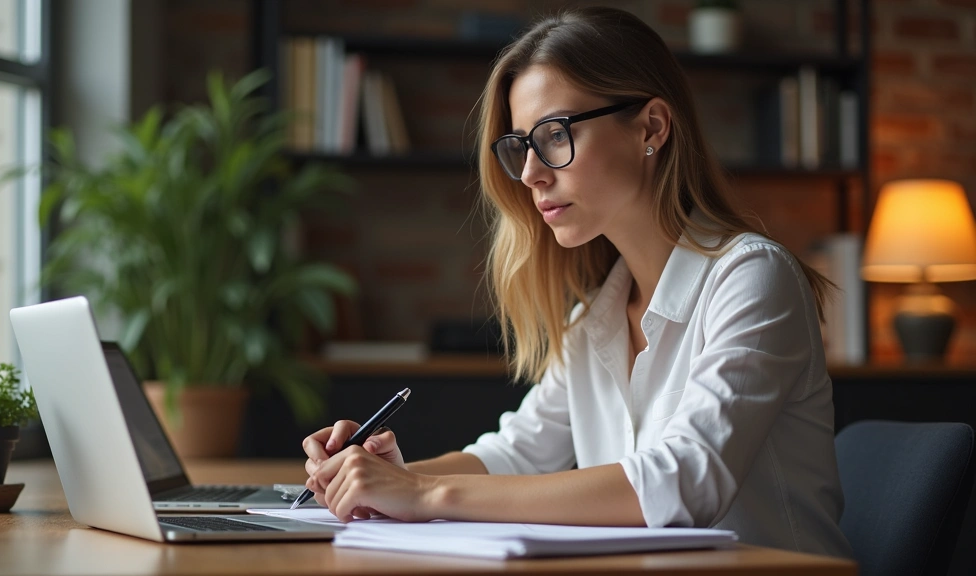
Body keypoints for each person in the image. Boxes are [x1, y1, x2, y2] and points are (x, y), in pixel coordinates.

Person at [301, 6, 853, 559]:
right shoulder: (594, 319)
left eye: (555, 134)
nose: (531, 174)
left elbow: (683, 482)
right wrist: (376, 476)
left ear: (651, 128)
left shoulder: (752, 277)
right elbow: (515, 455)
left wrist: (423, 492)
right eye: (521, 146)